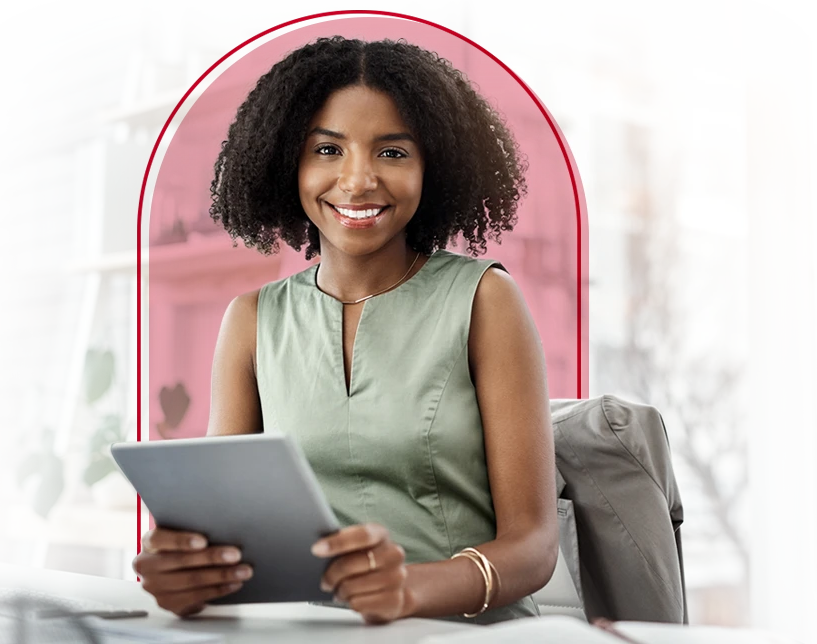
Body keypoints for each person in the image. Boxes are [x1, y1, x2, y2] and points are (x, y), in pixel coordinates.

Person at [133, 35, 559, 625]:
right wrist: (189, 573)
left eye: (392, 152)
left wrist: (410, 589)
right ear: (288, 162)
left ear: (434, 165)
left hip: (469, 634)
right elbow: (224, 531)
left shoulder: (485, 300)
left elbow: (534, 545)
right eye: (328, 150)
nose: (357, 181)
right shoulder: (253, 321)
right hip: (313, 633)